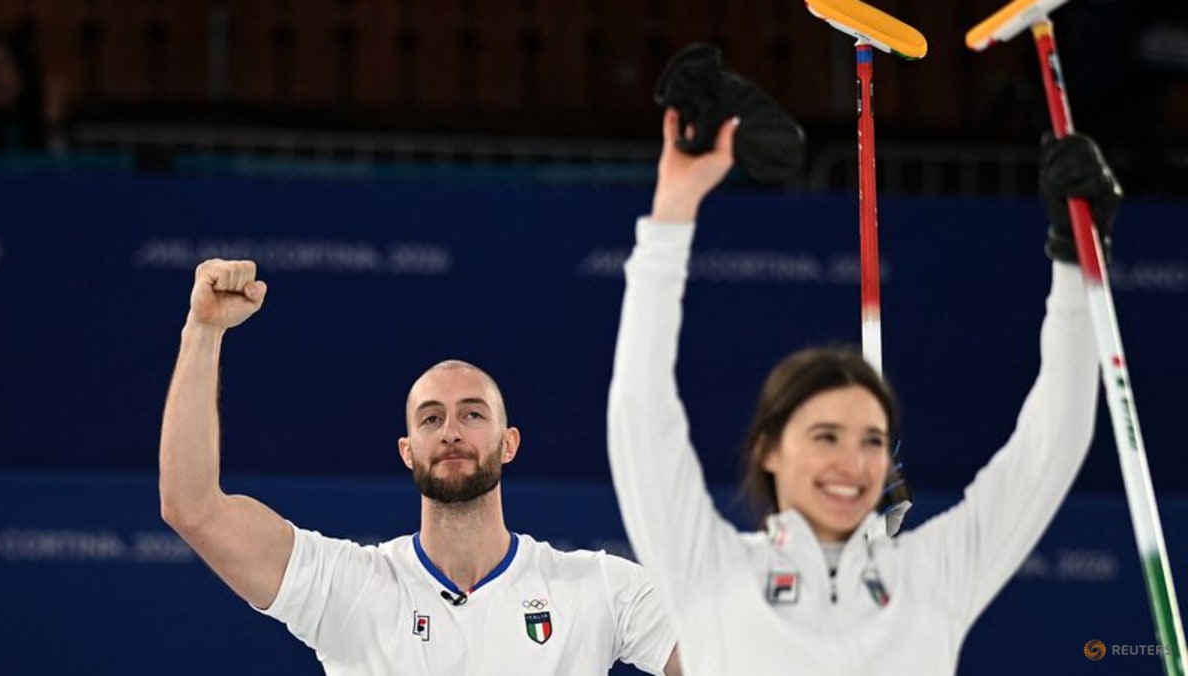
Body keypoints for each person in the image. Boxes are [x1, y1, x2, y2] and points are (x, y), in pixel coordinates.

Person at [607, 109, 1115, 675]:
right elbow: (640, 415)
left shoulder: (933, 578)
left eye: (872, 440)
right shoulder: (709, 571)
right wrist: (673, 210)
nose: (852, 463)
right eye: (826, 436)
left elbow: (1051, 446)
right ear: (769, 449)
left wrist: (1076, 263)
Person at [159, 260, 681, 676]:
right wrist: (203, 330)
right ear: (407, 451)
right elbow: (193, 508)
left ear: (508, 443)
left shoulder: (598, 588)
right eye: (431, 418)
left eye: (472, 414)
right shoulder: (348, 589)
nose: (451, 430)